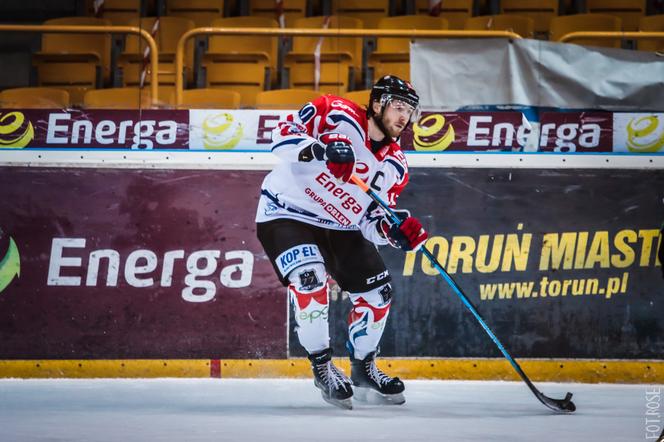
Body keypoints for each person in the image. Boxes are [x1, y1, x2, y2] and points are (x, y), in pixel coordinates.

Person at [255, 75, 428, 410]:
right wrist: (320, 149)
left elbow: (370, 220)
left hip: (340, 227)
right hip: (287, 212)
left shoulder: (396, 165)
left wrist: (393, 233)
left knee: (380, 293)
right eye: (398, 107)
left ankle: (363, 368)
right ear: (378, 104)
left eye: (410, 110)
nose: (404, 117)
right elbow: (279, 136)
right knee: (310, 279)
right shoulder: (334, 112)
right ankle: (322, 367)